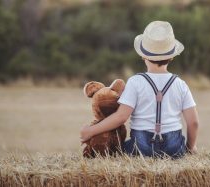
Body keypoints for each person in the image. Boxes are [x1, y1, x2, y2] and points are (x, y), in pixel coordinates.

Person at [80, 21, 199, 159]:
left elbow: (120, 117)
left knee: (118, 149)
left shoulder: (135, 82)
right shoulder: (180, 84)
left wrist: (91, 131)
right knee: (178, 146)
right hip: (174, 148)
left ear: (143, 55)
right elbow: (193, 123)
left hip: (141, 147)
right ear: (172, 56)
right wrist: (191, 147)